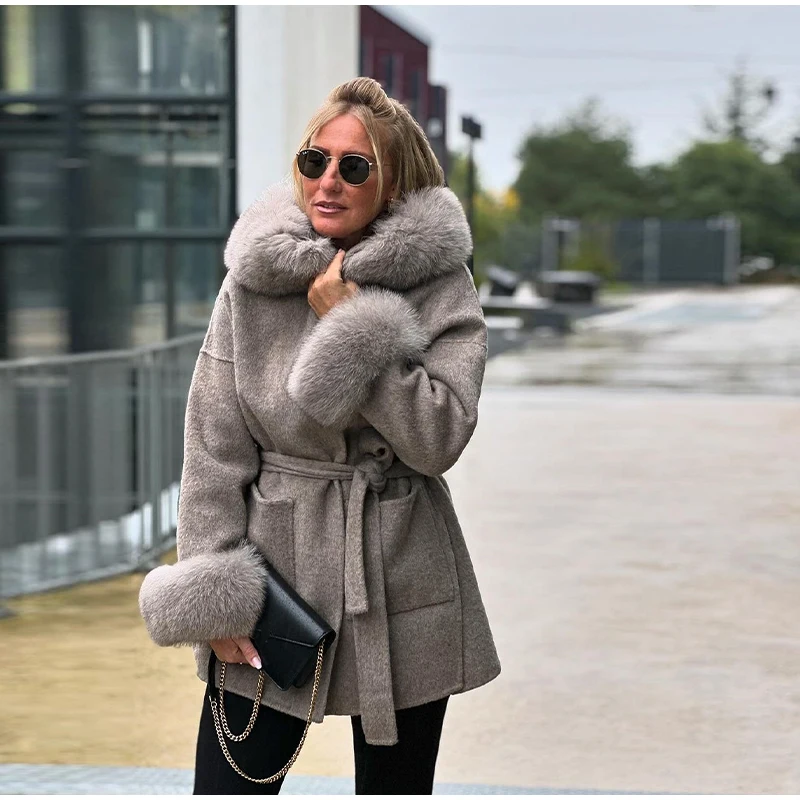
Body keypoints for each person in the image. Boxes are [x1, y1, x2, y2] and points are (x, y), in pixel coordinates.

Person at [139, 77, 501, 795]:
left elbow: (439, 438)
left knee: (396, 790)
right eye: (315, 160)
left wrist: (352, 325)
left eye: (354, 166)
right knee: (229, 786)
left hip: (400, 560)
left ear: (393, 185)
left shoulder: (440, 285)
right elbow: (213, 448)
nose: (328, 181)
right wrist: (215, 591)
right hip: (273, 565)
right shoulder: (254, 279)